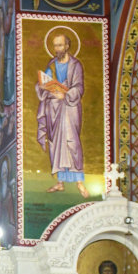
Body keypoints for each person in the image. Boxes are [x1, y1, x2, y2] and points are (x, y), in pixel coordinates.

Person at [35, 29, 88, 196]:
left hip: (70, 108)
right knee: (55, 143)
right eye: (55, 46)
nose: (57, 49)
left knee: (72, 142)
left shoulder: (75, 65)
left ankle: (79, 182)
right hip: (54, 109)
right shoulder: (51, 64)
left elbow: (79, 88)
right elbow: (45, 82)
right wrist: (42, 85)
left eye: (60, 45)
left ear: (67, 46)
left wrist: (65, 94)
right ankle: (60, 182)